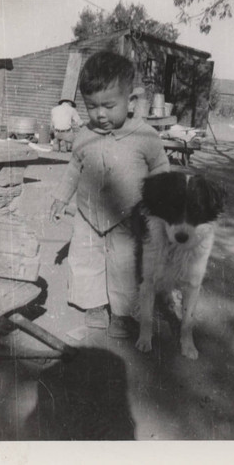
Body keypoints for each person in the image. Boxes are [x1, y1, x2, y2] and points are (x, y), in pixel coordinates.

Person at [50, 51, 170, 337]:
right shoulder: (84, 135)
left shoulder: (146, 136)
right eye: (92, 106)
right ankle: (94, 305)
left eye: (108, 105)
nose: (100, 114)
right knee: (86, 259)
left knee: (125, 265)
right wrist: (61, 197)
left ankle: (122, 313)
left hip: (129, 216)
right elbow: (74, 168)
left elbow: (161, 169)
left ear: (130, 102)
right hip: (87, 215)